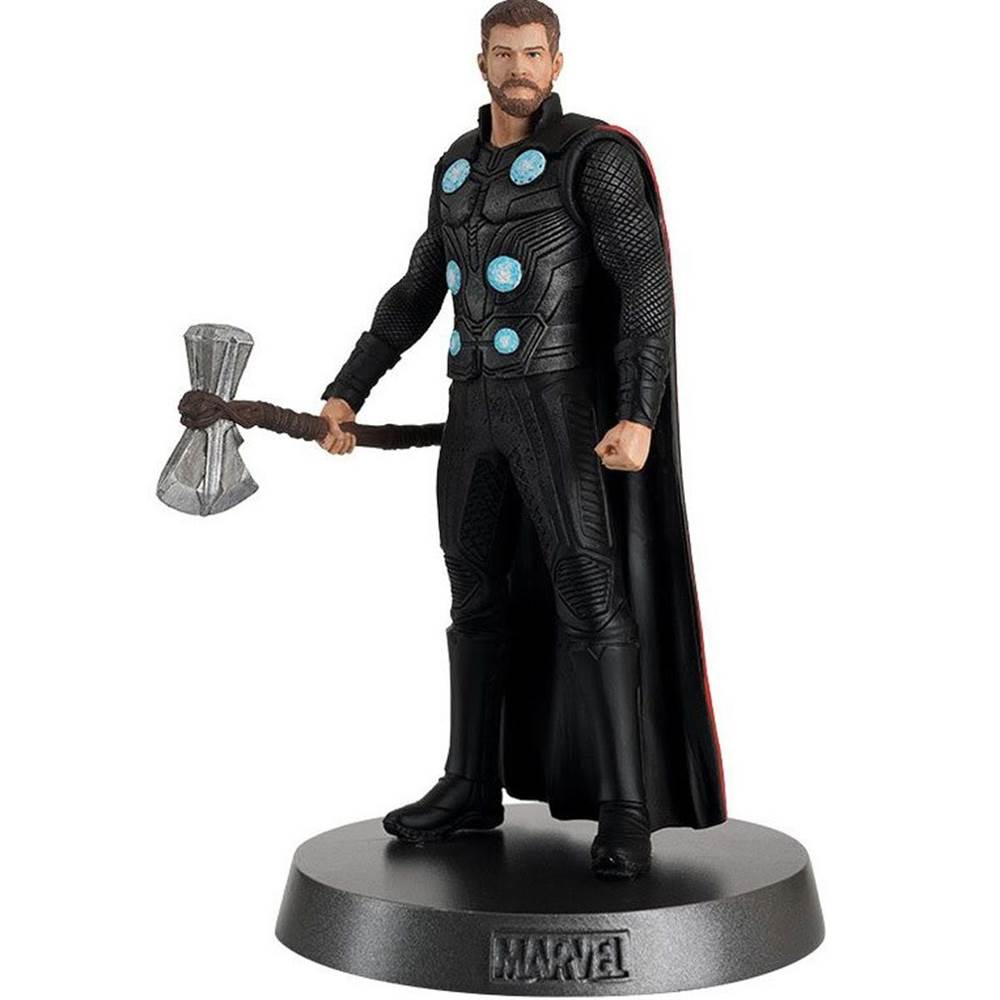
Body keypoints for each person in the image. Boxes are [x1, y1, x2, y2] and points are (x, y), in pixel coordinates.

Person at [318, 0, 725, 878]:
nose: (518, 68)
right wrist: (348, 390)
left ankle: (626, 806)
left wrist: (639, 411)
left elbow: (643, 286)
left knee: (589, 592)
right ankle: (470, 785)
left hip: (557, 407)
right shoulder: (457, 167)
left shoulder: (594, 158)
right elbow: (420, 286)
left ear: (557, 62)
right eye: (503, 53)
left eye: (533, 53)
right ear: (481, 63)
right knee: (473, 593)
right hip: (475, 410)